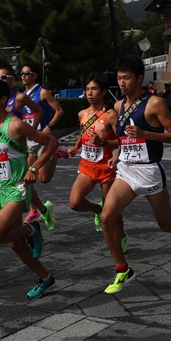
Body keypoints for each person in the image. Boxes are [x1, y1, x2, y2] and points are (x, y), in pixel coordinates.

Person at [99, 56, 171, 294]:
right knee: (106, 217)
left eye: (126, 77)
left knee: (166, 224)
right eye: (119, 78)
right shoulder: (119, 106)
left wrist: (146, 134)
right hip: (126, 169)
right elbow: (125, 137)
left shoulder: (154, 103)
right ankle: (122, 269)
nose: (122, 82)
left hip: (149, 170)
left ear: (139, 78)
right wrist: (115, 149)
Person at [0, 79, 58, 298]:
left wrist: (35, 167)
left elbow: (51, 144)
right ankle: (45, 277)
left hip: (17, 188)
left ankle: (32, 229)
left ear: (3, 99)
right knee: (14, 243)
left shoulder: (16, 125)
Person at [66, 74, 125, 248]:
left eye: (94, 89)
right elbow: (83, 132)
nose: (89, 93)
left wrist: (109, 149)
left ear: (103, 91)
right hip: (87, 165)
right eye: (87, 89)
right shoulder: (82, 114)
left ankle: (121, 235)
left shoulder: (110, 115)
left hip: (106, 166)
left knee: (112, 209)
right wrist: (76, 147)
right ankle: (97, 210)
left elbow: (123, 140)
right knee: (75, 203)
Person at [20, 62, 67, 231]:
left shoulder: (43, 92)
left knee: (44, 179)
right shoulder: (23, 95)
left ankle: (54, 154)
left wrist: (50, 126)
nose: (23, 76)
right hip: (29, 140)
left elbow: (59, 111)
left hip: (43, 139)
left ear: (35, 76)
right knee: (27, 178)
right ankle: (35, 211)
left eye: (27, 73)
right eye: (22, 73)